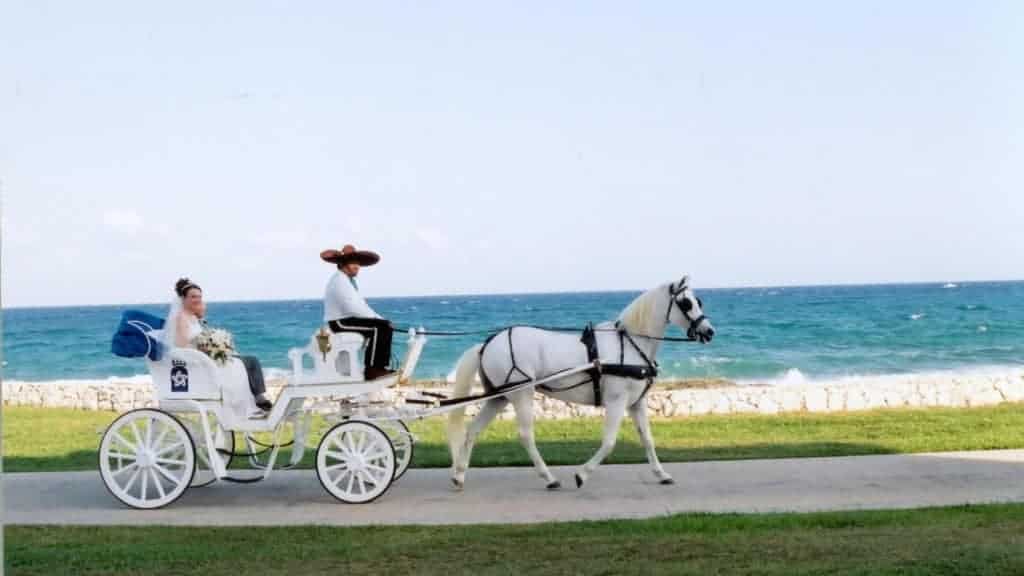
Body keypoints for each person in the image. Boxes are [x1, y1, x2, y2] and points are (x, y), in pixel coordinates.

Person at [164, 278, 273, 411]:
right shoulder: (181, 318)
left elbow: (203, 335)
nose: (197, 299)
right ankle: (257, 397)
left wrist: (214, 344)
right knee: (248, 361)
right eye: (193, 296)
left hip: (206, 357)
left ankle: (258, 396)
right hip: (199, 362)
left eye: (199, 296)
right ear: (183, 299)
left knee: (250, 361)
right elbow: (181, 346)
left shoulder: (193, 317)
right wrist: (204, 350)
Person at [320, 245, 395, 380]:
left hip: (346, 320)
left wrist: (381, 319)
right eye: (353, 262)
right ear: (343, 264)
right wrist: (379, 321)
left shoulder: (348, 281)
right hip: (339, 322)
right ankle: (372, 370)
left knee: (384, 326)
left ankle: (380, 367)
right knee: (380, 328)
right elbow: (353, 308)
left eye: (358, 263)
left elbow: (362, 306)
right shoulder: (339, 281)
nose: (357, 266)